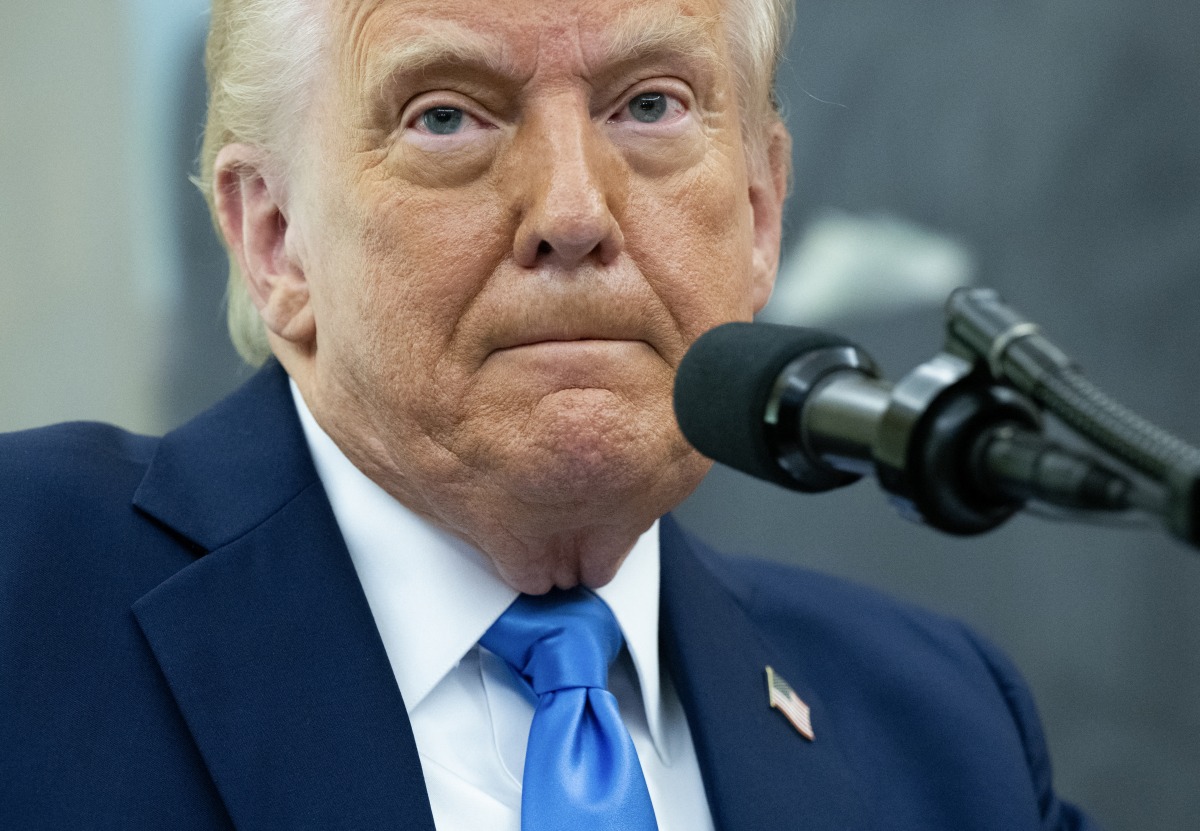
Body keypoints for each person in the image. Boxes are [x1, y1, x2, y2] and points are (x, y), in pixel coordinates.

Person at [0, 0, 1097, 828]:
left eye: (651, 106)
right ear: (275, 237)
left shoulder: (944, 736)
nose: (573, 214)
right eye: (446, 117)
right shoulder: (27, 586)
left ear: (760, 214)